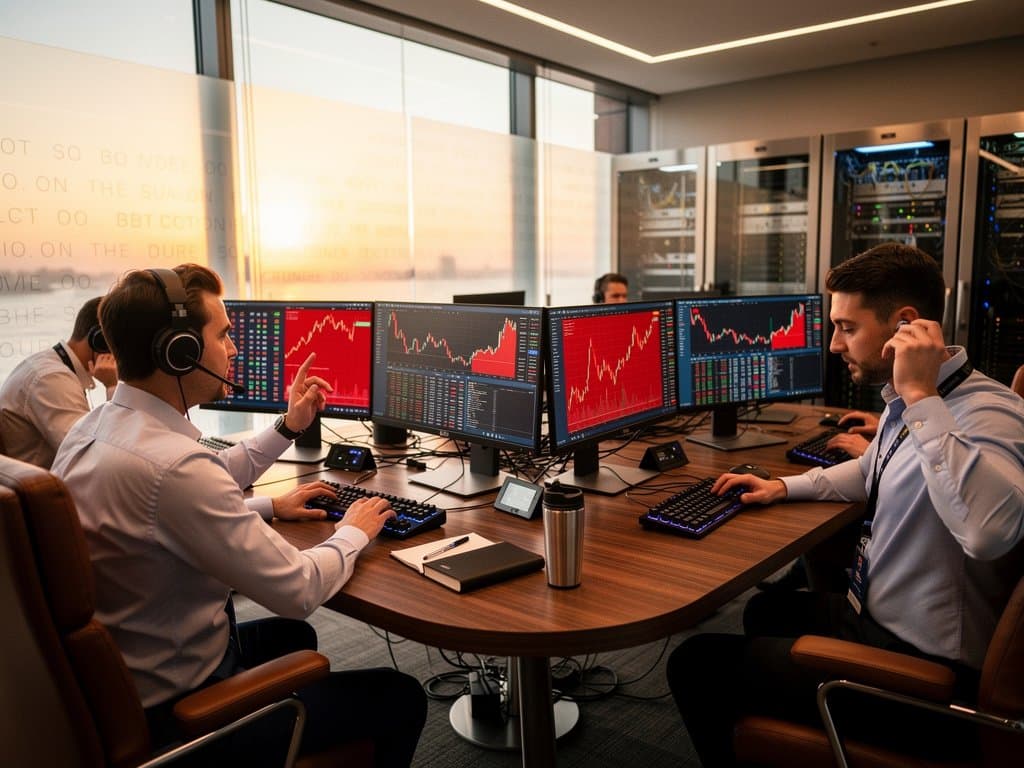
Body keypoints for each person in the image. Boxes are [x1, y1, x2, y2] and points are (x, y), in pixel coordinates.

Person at [51, 265, 426, 766]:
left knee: (291, 641)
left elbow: (183, 495)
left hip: (119, 687)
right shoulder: (175, 468)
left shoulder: (96, 429)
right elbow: (297, 590)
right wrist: (351, 532)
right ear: (178, 351)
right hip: (182, 722)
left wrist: (287, 431)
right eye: (223, 334)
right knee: (398, 695)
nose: (234, 349)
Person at [667, 243, 1024, 767]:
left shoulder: (985, 413)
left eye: (846, 327)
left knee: (695, 663)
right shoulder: (930, 402)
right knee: (767, 609)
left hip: (929, 672)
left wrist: (921, 397)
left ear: (905, 325)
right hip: (882, 617)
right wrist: (785, 487)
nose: (834, 344)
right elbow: (872, 468)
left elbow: (988, 532)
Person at [0, 296, 118, 468]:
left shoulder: (52, 366)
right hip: (38, 490)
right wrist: (113, 387)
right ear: (99, 340)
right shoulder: (52, 380)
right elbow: (90, 458)